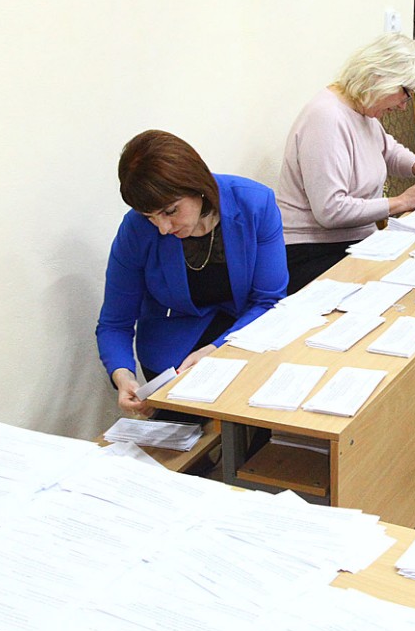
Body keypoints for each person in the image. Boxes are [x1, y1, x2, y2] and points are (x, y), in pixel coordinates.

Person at [96, 130, 288, 417]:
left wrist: (216, 349)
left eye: (170, 211)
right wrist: (124, 376)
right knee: (184, 433)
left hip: (245, 332)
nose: (163, 227)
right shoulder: (136, 229)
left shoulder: (254, 204)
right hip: (173, 352)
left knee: (262, 412)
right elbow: (114, 323)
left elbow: (268, 300)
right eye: (150, 217)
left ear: (197, 186)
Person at [277, 33, 415, 293]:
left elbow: (388, 151)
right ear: (382, 78)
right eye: (405, 94)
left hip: (355, 241)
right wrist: (402, 202)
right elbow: (331, 211)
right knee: (401, 288)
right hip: (313, 251)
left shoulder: (362, 110)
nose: (404, 106)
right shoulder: (327, 118)